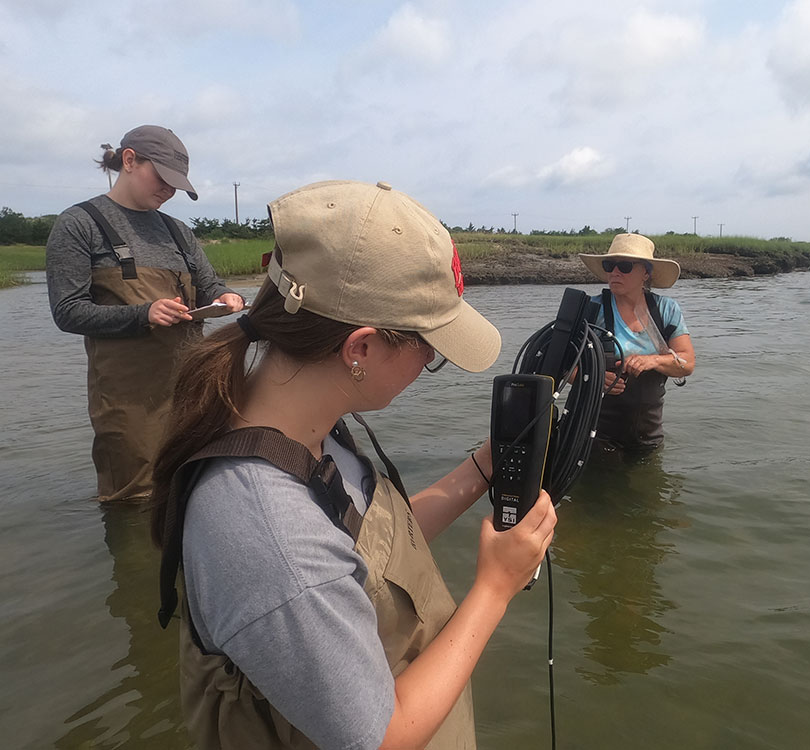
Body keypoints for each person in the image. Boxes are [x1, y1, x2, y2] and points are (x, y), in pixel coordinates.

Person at [150, 179, 557, 749]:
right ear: (360, 349)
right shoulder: (265, 527)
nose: (428, 367)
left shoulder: (307, 428)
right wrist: (495, 586)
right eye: (430, 351)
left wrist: (483, 471)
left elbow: (364, 550)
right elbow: (379, 737)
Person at [45, 125, 245, 503]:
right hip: (127, 405)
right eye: (163, 178)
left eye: (177, 185)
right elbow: (68, 313)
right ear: (130, 160)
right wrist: (144, 314)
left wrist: (228, 297)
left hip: (191, 393)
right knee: (136, 504)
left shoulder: (178, 231)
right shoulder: (79, 224)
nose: (169, 191)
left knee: (196, 492)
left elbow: (211, 285)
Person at [578, 233, 695, 452]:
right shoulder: (590, 310)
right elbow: (561, 366)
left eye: (624, 266)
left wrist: (653, 361)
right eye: (609, 265)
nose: (615, 272)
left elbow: (687, 364)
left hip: (648, 434)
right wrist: (593, 379)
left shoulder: (666, 310)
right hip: (594, 435)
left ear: (646, 273)